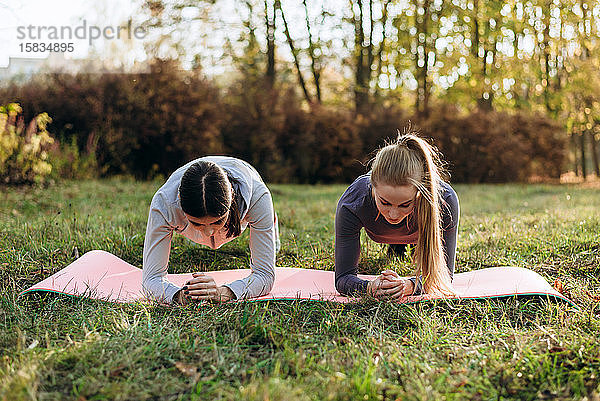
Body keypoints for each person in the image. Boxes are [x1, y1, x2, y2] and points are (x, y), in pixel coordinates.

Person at [334, 130, 459, 300]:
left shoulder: (445, 201)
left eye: (405, 204)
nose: (393, 214)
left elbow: (445, 276)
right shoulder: (353, 202)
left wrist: (409, 286)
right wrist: (369, 288)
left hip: (416, 230)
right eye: (385, 202)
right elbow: (342, 278)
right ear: (372, 186)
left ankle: (402, 244)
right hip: (378, 228)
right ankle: (396, 244)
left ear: (419, 193)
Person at [142, 156, 279, 305]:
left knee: (271, 240)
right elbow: (151, 279)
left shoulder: (258, 197)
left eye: (218, 221)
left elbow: (264, 275)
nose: (208, 232)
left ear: (232, 197)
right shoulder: (164, 204)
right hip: (182, 195)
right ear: (180, 201)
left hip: (245, 176)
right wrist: (180, 296)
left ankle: (271, 225)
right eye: (197, 223)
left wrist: (222, 293)